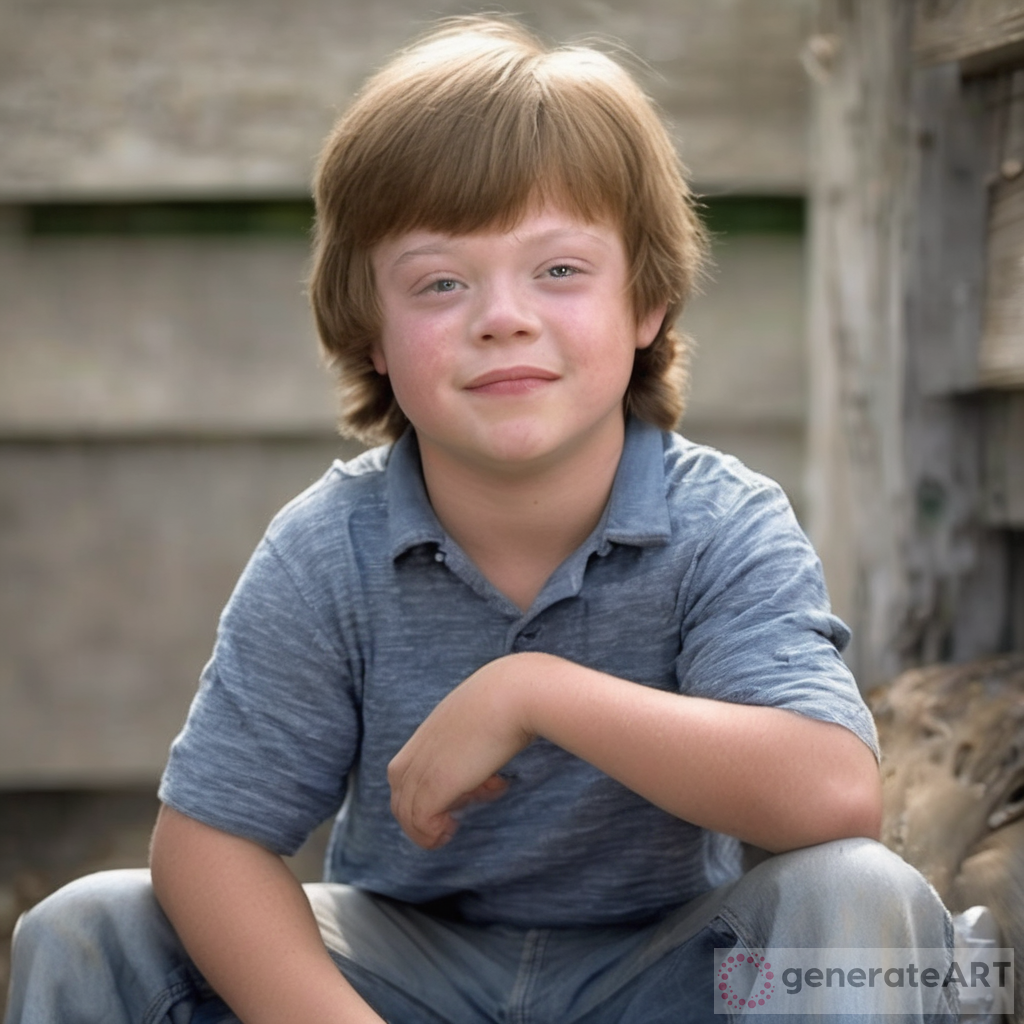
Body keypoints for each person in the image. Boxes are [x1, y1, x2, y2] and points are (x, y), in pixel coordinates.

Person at [5, 16, 955, 1024]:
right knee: (87, 924)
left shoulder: (722, 524)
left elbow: (832, 793)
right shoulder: (328, 548)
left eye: (557, 270)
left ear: (646, 304)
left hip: (671, 978)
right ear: (369, 331)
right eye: (441, 282)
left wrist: (534, 691)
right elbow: (206, 844)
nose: (501, 315)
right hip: (398, 975)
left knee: (860, 893)